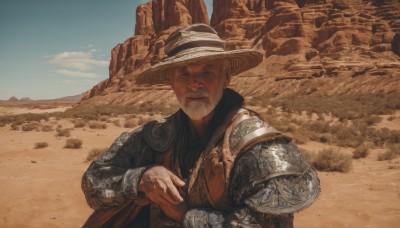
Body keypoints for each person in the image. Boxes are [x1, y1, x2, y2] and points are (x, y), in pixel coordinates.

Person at [81, 23, 320, 227]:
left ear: (226, 77)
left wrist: (187, 216)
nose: (194, 84)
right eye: (183, 74)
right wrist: (141, 178)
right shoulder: (155, 135)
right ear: (171, 82)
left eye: (207, 72)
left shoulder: (261, 148)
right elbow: (94, 182)